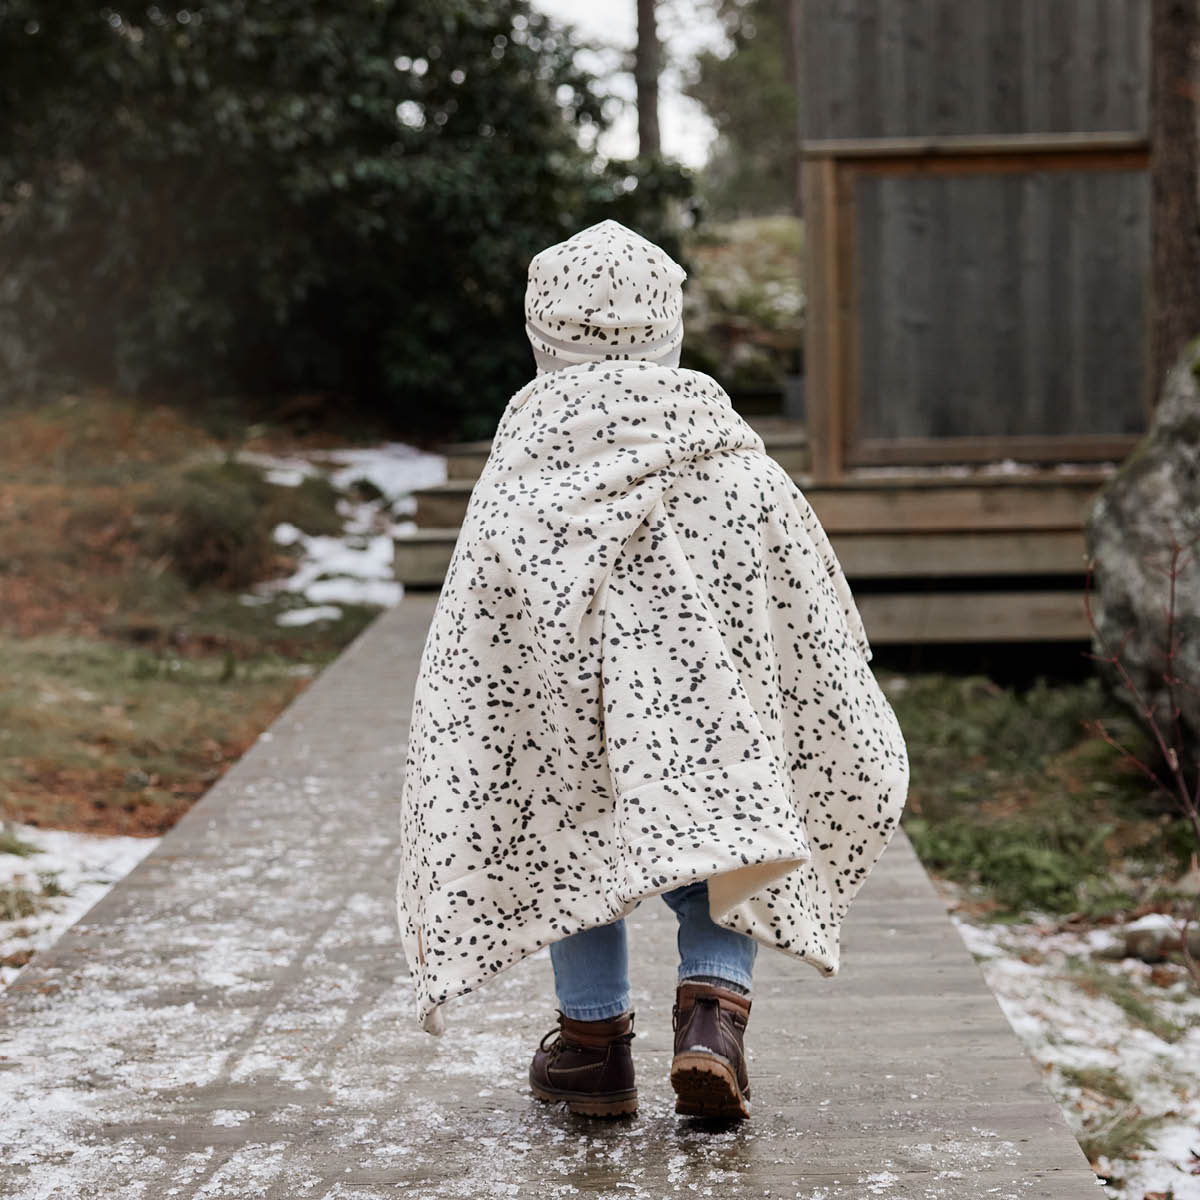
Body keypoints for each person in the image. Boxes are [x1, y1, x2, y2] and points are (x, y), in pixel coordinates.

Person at [395, 220, 909, 1123]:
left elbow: (478, 621)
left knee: (566, 824)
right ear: (666, 328)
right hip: (712, 712)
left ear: (543, 334)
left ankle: (593, 1050)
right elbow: (805, 591)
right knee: (726, 820)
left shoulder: (524, 467)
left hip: (565, 709)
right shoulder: (734, 458)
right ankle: (713, 1015)